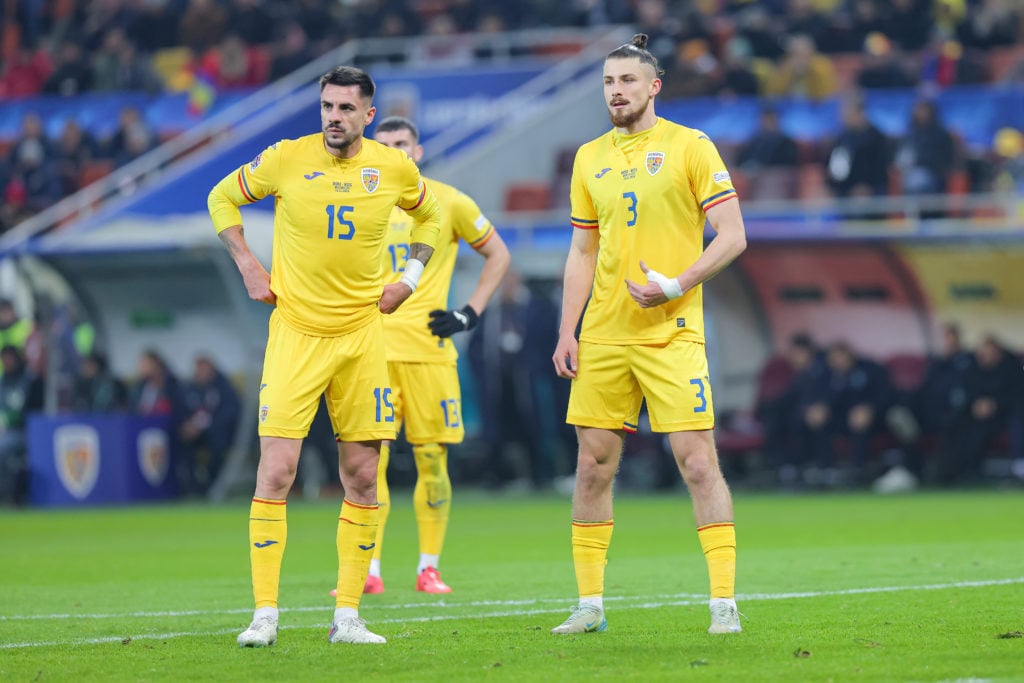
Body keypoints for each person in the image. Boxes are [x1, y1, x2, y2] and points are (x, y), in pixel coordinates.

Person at [207, 65, 440, 647]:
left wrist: (409, 278)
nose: (333, 117)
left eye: (345, 108)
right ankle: (264, 614)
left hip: (363, 339)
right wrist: (248, 263)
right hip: (296, 335)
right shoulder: (287, 157)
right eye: (326, 106)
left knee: (363, 476)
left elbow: (432, 216)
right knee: (277, 471)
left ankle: (348, 618)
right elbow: (222, 197)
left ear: (368, 114)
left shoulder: (394, 168)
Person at [549, 34, 748, 636]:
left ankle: (723, 605)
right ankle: (589, 606)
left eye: (628, 81)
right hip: (605, 335)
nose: (616, 91)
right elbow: (583, 249)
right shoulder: (589, 157)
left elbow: (733, 235)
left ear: (653, 85)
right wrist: (568, 331)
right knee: (593, 466)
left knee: (696, 461)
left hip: (671, 331)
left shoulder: (690, 146)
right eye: (609, 82)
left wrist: (676, 283)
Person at [354, 115, 510, 595]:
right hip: (373, 349)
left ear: (417, 151)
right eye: (384, 144)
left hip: (429, 350)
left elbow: (498, 255)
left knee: (431, 459)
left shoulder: (448, 200)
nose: (395, 151)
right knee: (367, 464)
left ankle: (428, 567)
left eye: (402, 143)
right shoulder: (355, 202)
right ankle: (368, 571)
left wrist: (470, 313)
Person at [178, 356, 241, 496]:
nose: (200, 372)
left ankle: (213, 485)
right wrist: (188, 426)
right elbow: (182, 411)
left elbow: (230, 414)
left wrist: (204, 426)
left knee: (217, 444)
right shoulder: (189, 389)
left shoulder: (224, 388)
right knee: (181, 443)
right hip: (196, 436)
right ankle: (192, 487)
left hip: (220, 434)